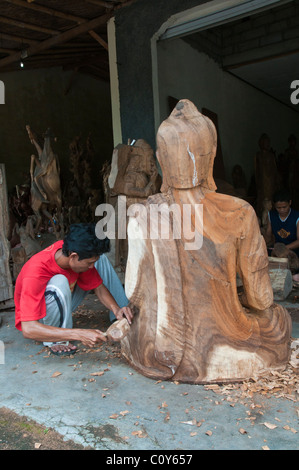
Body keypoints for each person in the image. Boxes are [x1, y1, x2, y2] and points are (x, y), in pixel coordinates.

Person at [14, 223, 133, 356]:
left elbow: (98, 287)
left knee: (101, 260)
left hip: (62, 301)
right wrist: (79, 333)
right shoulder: (35, 272)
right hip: (41, 318)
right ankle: (56, 340)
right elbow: (29, 329)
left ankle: (123, 317)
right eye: (89, 263)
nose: (91, 267)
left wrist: (116, 308)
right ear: (73, 256)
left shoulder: (73, 251)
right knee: (60, 281)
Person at [265, 188, 299, 257]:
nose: (282, 210)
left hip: (293, 249)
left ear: (290, 202)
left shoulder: (296, 217)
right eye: (278, 208)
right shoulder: (271, 215)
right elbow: (268, 236)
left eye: (284, 207)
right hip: (277, 249)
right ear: (274, 205)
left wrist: (284, 249)